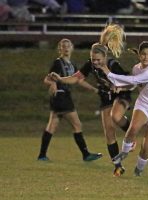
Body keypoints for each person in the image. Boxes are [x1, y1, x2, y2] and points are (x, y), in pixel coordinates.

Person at [50, 25, 134, 177]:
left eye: (98, 60)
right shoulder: (91, 64)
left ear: (105, 58)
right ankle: (117, 166)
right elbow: (76, 78)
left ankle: (131, 138)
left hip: (122, 95)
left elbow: (130, 82)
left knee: (116, 117)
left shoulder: (113, 65)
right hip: (106, 96)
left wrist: (119, 87)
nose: (95, 62)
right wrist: (60, 78)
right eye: (93, 59)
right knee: (109, 132)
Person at [100, 41, 148, 177]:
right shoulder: (137, 68)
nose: (145, 57)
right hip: (143, 104)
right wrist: (121, 87)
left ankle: (139, 169)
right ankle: (124, 153)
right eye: (143, 54)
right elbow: (132, 84)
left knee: (146, 145)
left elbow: (134, 80)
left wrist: (109, 74)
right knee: (132, 129)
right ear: (139, 55)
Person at [37, 38, 102, 162]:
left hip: (62, 97)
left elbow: (79, 80)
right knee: (77, 124)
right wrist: (52, 84)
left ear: (72, 47)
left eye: (68, 45)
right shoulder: (58, 63)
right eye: (63, 46)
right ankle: (86, 155)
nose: (66, 48)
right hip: (61, 96)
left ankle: (42, 155)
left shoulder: (72, 65)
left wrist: (94, 89)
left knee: (52, 126)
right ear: (60, 49)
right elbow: (47, 79)